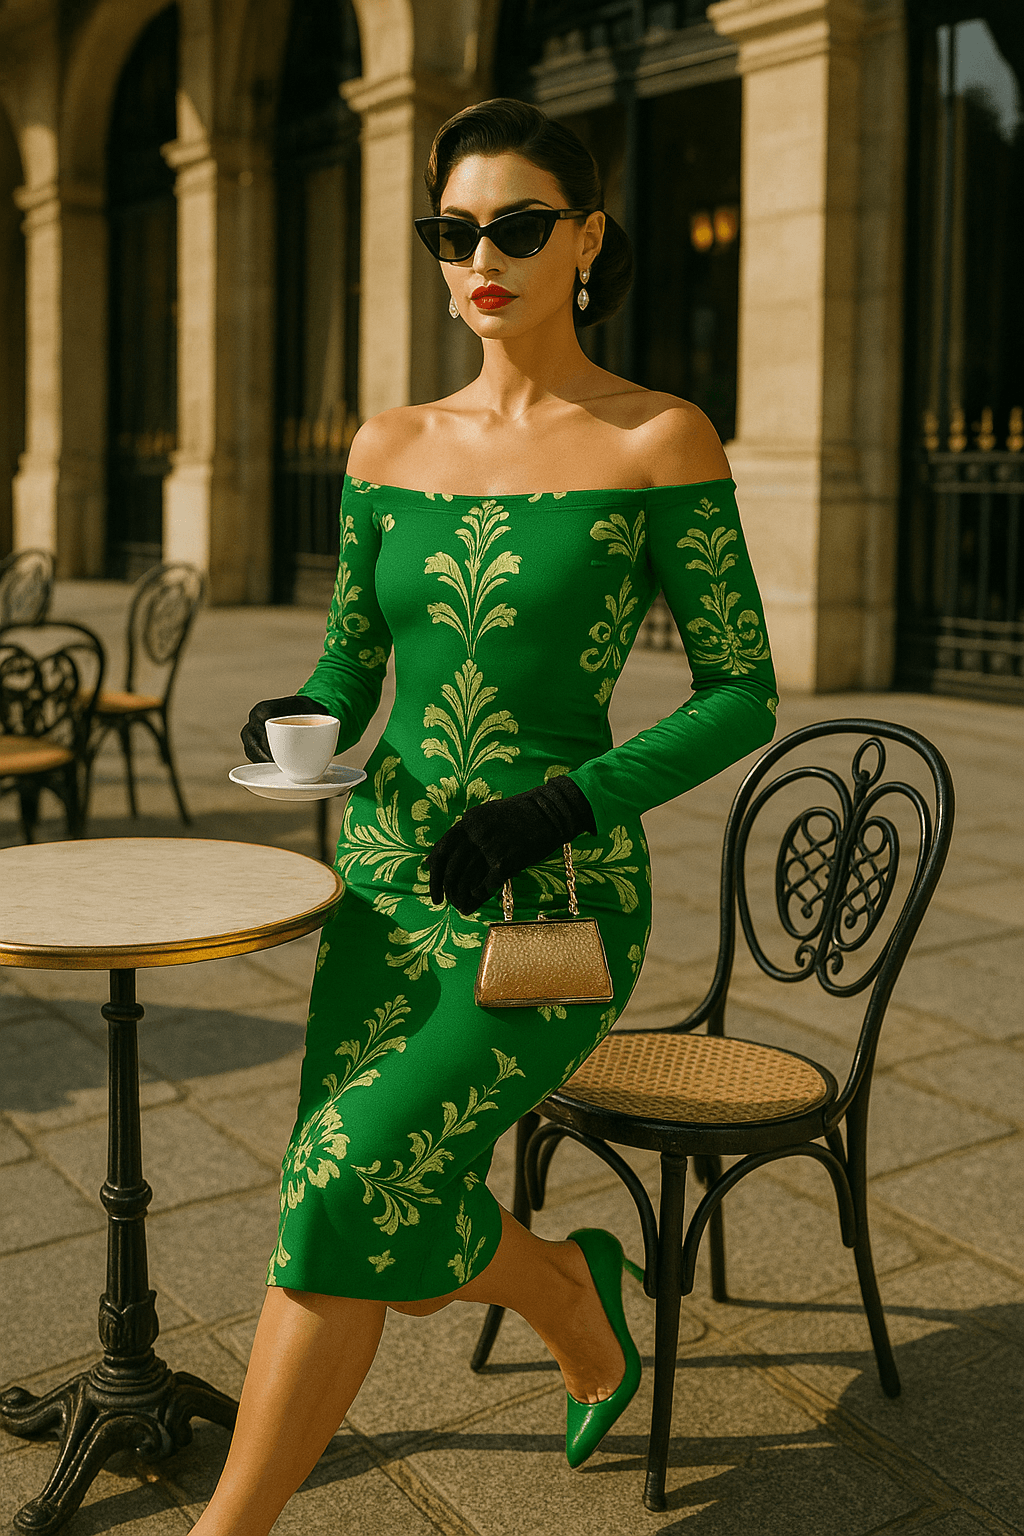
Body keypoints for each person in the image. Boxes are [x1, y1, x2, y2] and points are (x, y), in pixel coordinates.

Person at [207, 97, 778, 1535]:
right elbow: (351, 660)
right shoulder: (386, 442)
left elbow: (741, 693)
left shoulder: (658, 436)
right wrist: (297, 726)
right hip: (389, 880)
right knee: (337, 1190)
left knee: (345, 1176)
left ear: (586, 238)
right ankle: (574, 1292)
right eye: (454, 231)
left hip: (558, 897)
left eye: (519, 226)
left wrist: (564, 805)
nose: (483, 256)